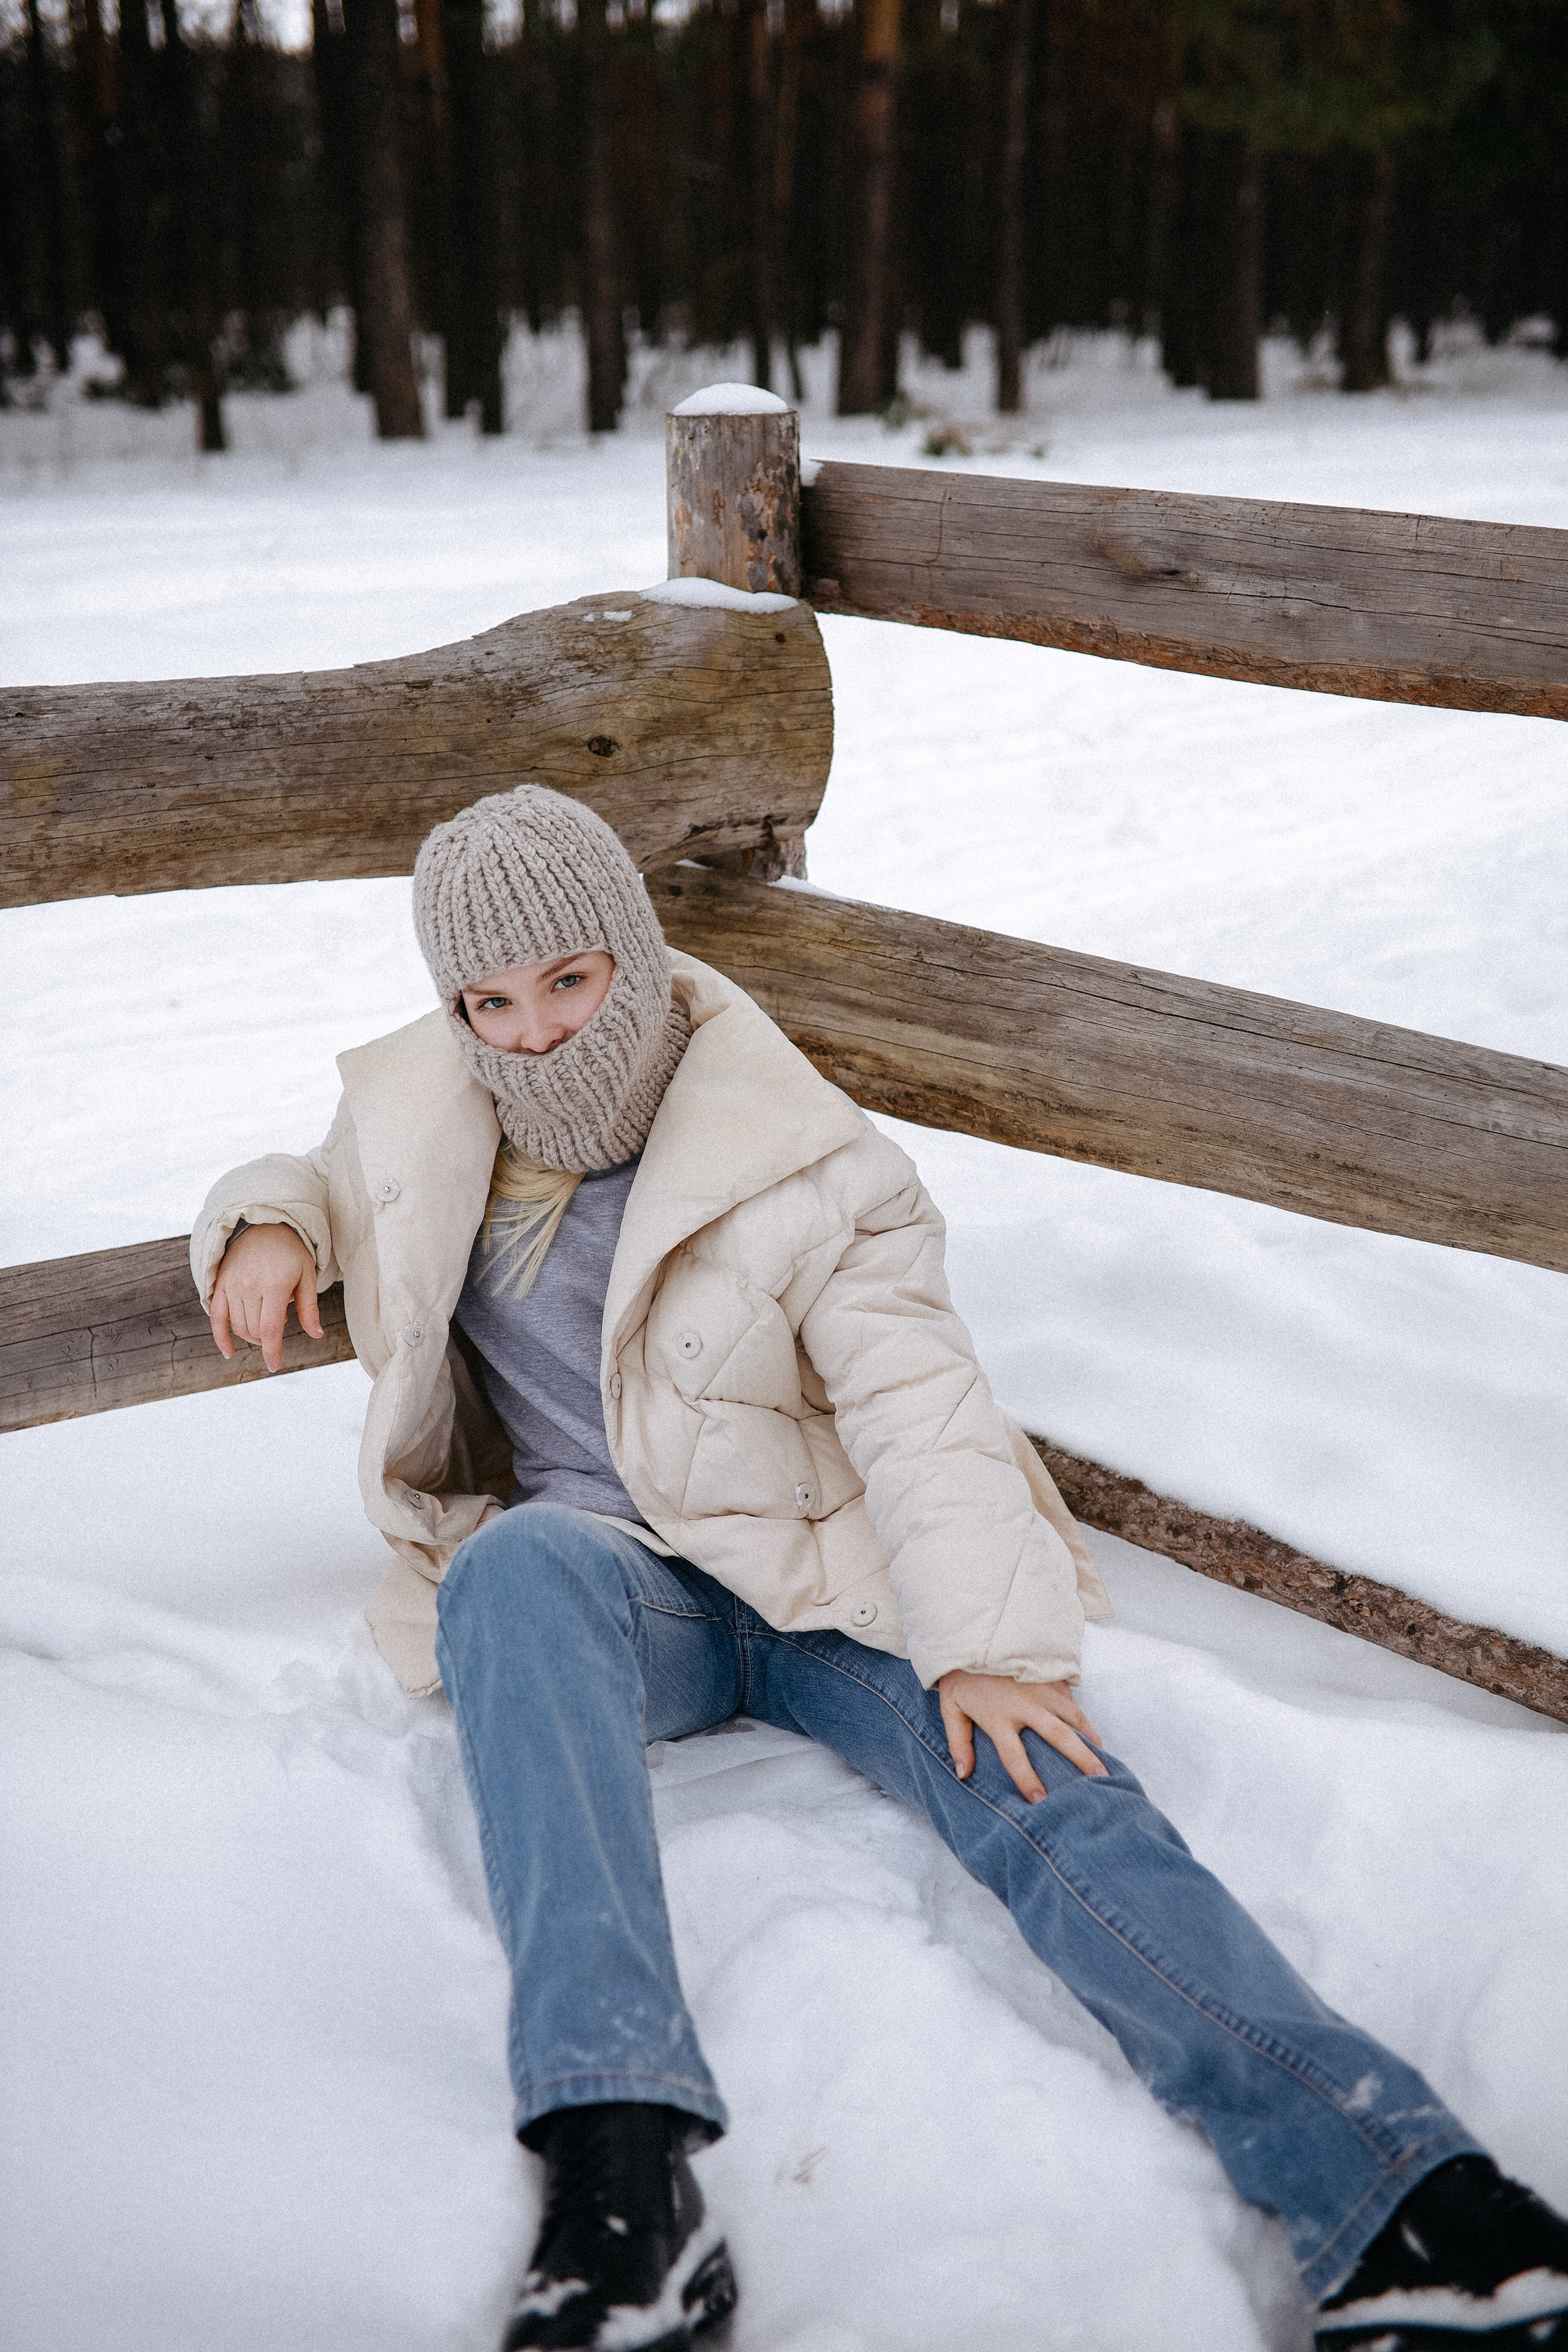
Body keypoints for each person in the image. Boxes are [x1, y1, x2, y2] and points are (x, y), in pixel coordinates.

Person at [197, 783, 1566, 2352]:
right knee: (507, 1576)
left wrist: (983, 1640)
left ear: (633, 959)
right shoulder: (429, 1117)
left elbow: (923, 1412)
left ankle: (1407, 2203)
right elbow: (319, 1172)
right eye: (488, 1003)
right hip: (610, 1597)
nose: (533, 1036)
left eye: (568, 982)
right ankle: (623, 2181)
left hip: (819, 1589)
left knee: (1041, 1777)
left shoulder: (808, 1161)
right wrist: (259, 1221)